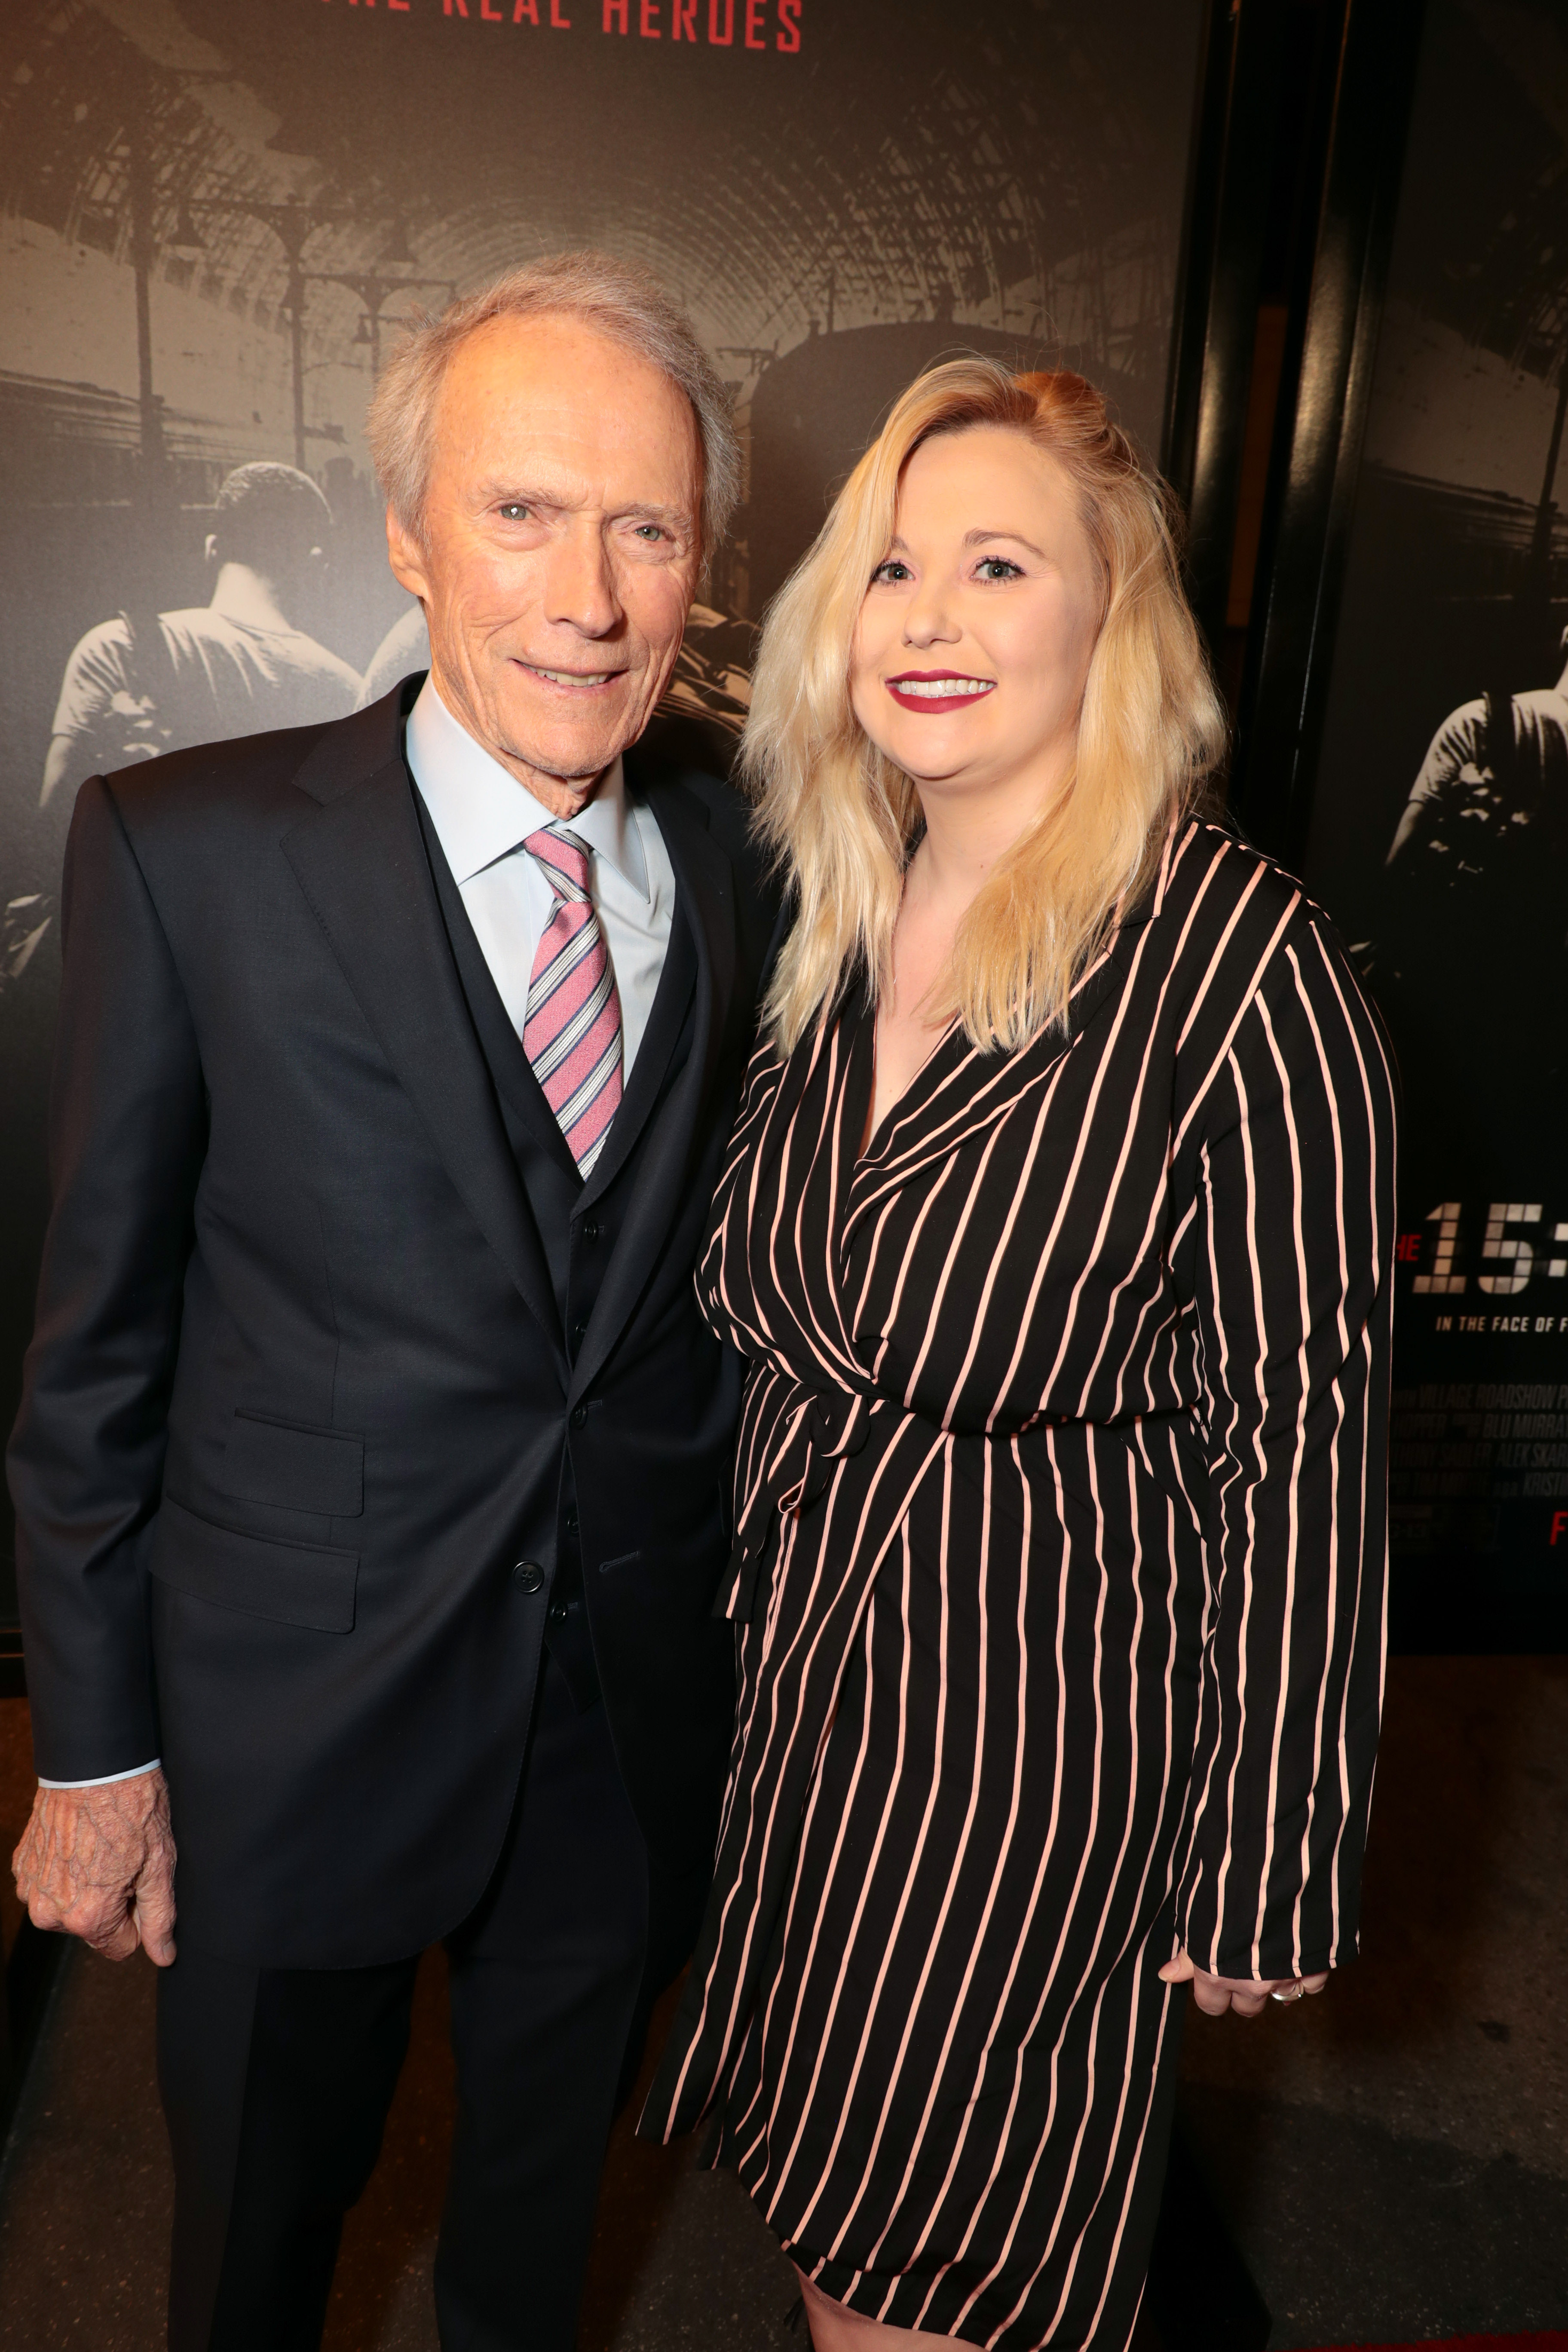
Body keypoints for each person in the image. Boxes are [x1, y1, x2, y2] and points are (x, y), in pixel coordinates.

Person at [9, 253, 779, 2352]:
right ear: (408, 530)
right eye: (523, 511)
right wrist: (94, 1750)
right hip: (289, 1732)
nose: (590, 591)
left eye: (648, 523)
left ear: (705, 554)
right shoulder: (193, 850)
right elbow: (97, 1352)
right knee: (254, 2244)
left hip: (623, 1722)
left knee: (535, 2262)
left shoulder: (750, 850)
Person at [640, 360, 1395, 2350]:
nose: (933, 615)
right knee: (824, 2232)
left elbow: (1301, 1442)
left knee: (958, 2279)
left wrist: (1261, 1852)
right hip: (802, 1734)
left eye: (997, 562)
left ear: (1108, 615)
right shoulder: (835, 913)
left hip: (1025, 1782)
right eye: (893, 566)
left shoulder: (1238, 967)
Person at [40, 461, 363, 812]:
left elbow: (58, 822)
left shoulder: (120, 648)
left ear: (213, 548)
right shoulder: (354, 693)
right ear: (316, 565)